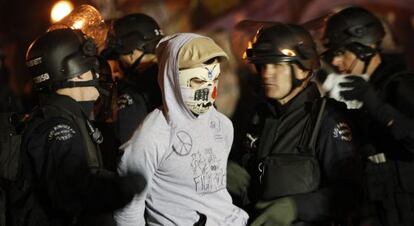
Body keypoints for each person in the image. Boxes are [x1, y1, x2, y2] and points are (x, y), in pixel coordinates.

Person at [8, 28, 145, 226]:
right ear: (77, 73)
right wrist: (125, 186)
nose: (98, 74)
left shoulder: (63, 117)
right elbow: (72, 188)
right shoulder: (56, 127)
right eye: (92, 67)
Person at [229, 23, 361, 226]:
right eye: (263, 66)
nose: (267, 74)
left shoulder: (326, 121)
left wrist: (297, 207)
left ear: (302, 70)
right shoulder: (257, 118)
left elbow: (352, 194)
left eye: (277, 65)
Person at [114, 33, 249, 225]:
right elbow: (128, 208)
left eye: (215, 79)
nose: (209, 89)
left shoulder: (223, 126)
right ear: (172, 78)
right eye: (198, 81)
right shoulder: (152, 135)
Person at [322, 6, 414, 226]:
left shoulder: (401, 85)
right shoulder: (369, 89)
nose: (335, 62)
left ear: (366, 47)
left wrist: (378, 107)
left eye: (342, 52)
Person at [102, 13, 163, 143]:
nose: (116, 68)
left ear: (131, 53)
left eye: (118, 57)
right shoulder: (174, 75)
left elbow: (127, 148)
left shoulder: (133, 92)